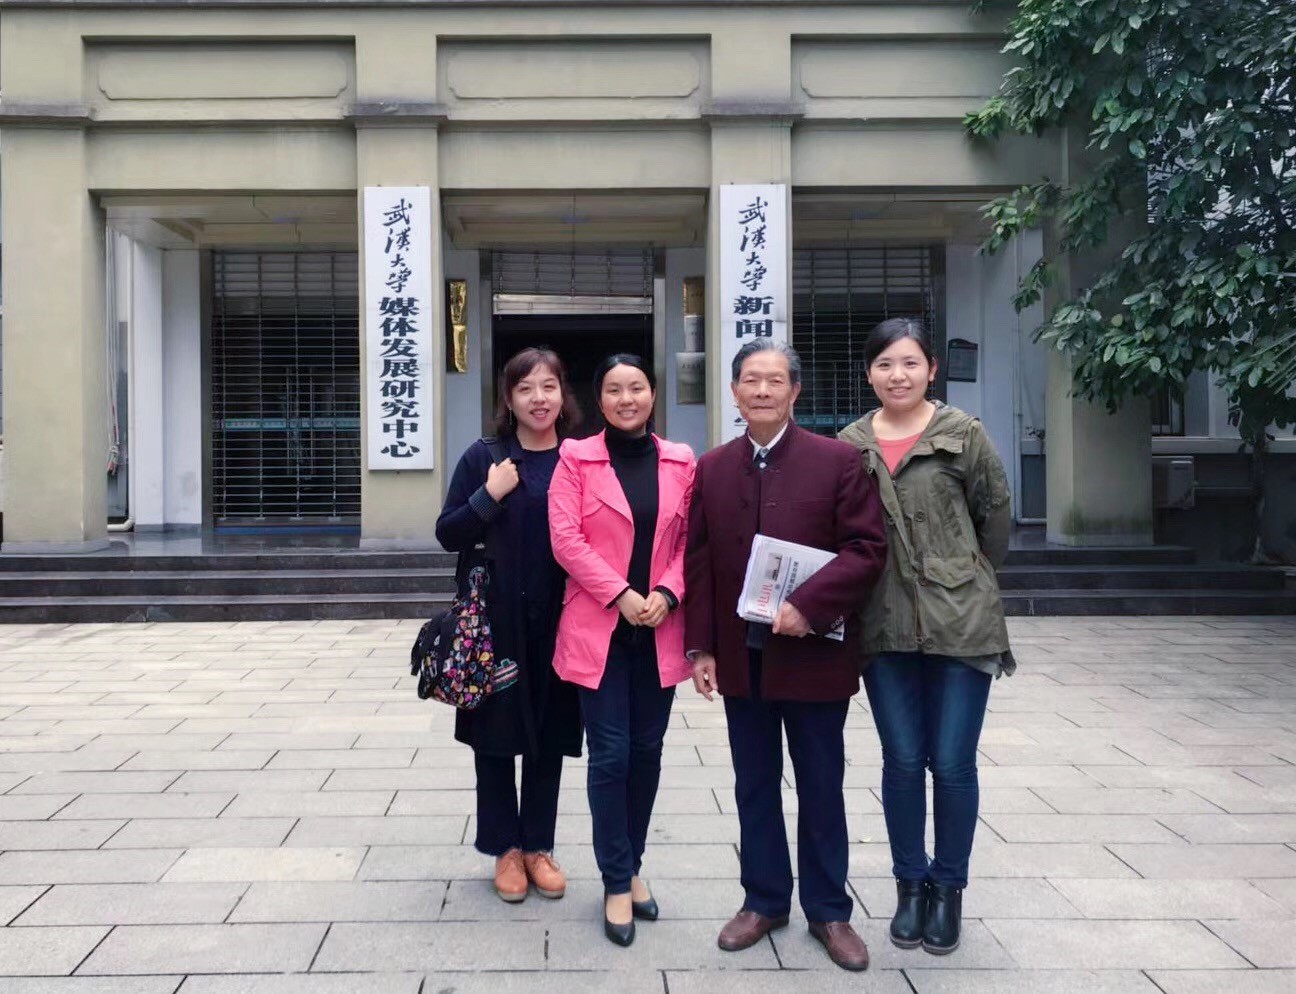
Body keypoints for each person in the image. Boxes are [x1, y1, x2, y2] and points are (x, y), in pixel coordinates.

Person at [684, 339, 887, 972]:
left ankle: (829, 910)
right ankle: (764, 900)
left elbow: (866, 549)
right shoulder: (713, 468)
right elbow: (699, 561)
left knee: (821, 785)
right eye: (752, 380)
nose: (763, 390)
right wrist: (701, 647)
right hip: (742, 659)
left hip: (815, 656)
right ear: (734, 392)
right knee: (753, 784)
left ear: (796, 391)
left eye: (776, 380)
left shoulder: (838, 461)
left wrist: (810, 605)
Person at [838, 317, 1014, 956]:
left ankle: (949, 889)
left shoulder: (963, 435)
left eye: (910, 363)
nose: (898, 375)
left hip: (961, 623)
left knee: (953, 762)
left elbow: (995, 520)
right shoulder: (850, 444)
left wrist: (958, 573)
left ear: (931, 369)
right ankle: (910, 885)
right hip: (883, 624)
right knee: (904, 761)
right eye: (885, 364)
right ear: (869, 374)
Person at [548, 354, 696, 948]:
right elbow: (566, 540)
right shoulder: (575, 458)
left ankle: (633, 864)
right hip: (600, 629)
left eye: (636, 387)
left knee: (647, 752)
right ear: (600, 399)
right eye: (614, 389)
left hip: (659, 628)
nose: (626, 398)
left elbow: (691, 541)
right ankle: (615, 880)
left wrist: (667, 592)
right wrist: (622, 594)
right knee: (610, 756)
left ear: (653, 394)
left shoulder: (681, 461)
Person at [434, 347, 584, 905]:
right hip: (495, 625)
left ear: (562, 394)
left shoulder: (579, 457)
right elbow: (448, 533)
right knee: (495, 738)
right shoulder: (485, 457)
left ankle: (538, 846)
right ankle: (504, 849)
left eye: (548, 387)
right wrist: (488, 495)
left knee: (549, 733)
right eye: (526, 389)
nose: (538, 399)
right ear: (509, 398)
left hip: (562, 619)